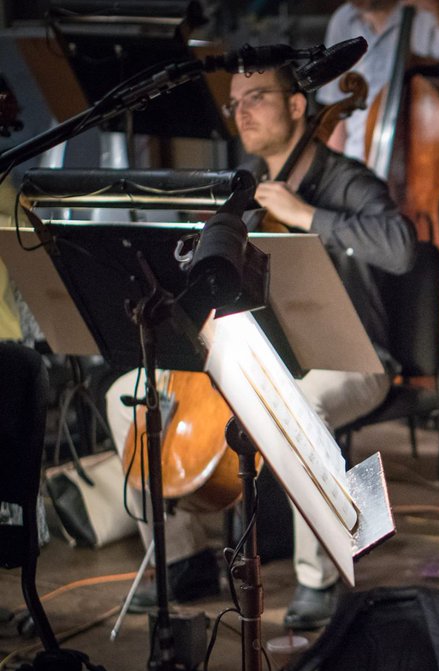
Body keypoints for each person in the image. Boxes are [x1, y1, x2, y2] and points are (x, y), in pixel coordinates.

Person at [106, 64, 417, 629]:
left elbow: (400, 249)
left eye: (257, 97)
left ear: (298, 106)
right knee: (129, 393)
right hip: (259, 353)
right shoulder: (243, 179)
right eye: (235, 103)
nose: (241, 112)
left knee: (303, 405)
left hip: (349, 357)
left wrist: (309, 216)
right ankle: (183, 558)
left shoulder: (347, 178)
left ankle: (318, 579)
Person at [318, 0, 439, 163]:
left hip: (420, 161)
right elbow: (336, 110)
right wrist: (334, 170)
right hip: (357, 162)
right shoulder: (342, 20)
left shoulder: (426, 14)